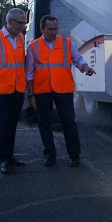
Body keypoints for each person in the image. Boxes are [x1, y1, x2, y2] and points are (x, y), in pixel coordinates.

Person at [25, 15, 95, 168]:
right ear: (41, 29)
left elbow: (78, 60)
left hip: (63, 89)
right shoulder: (33, 46)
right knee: (44, 123)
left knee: (68, 122)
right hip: (42, 90)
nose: (53, 32)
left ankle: (74, 155)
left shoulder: (66, 43)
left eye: (55, 29)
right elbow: (29, 73)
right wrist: (31, 95)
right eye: (50, 29)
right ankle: (50, 155)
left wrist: (85, 68)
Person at [0, 8, 27, 174]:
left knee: (12, 125)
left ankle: (10, 155)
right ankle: (4, 159)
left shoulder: (21, 38)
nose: (23, 26)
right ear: (9, 22)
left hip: (16, 90)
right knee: (1, 126)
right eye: (20, 23)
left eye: (24, 22)